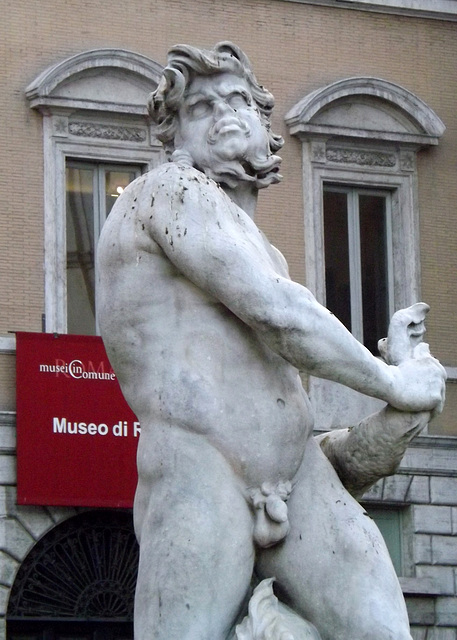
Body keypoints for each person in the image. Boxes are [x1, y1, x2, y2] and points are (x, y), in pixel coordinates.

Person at [97, 42, 446, 640]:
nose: (224, 112)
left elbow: (313, 441)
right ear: (173, 134)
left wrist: (402, 409)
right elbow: (278, 311)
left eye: (238, 100)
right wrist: (388, 379)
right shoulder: (164, 192)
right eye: (201, 106)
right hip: (200, 475)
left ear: (264, 126)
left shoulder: (268, 249)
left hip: (300, 479)